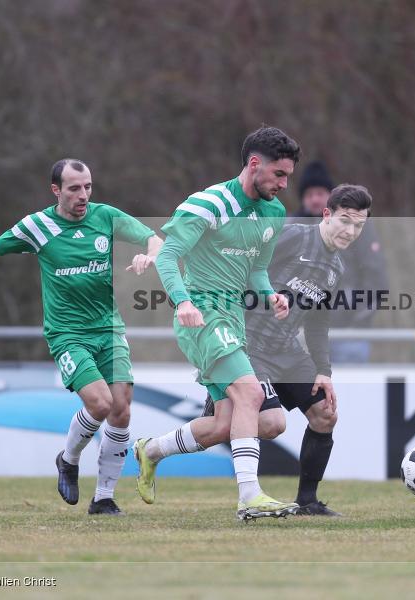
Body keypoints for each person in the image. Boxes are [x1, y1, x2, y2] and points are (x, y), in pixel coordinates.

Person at [0, 159, 162, 515]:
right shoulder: (38, 226)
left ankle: (103, 498)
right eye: (74, 188)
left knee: (121, 410)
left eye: (88, 187)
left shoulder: (106, 216)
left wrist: (149, 257)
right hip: (67, 333)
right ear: (56, 190)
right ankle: (68, 459)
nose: (83, 195)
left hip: (108, 328)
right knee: (100, 404)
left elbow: (154, 238)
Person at [135, 126, 300, 521]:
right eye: (278, 174)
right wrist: (183, 302)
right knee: (250, 394)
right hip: (202, 315)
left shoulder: (273, 213)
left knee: (244, 423)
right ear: (254, 164)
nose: (284, 184)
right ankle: (250, 497)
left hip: (233, 318)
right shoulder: (208, 204)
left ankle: (151, 450)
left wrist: (271, 295)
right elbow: (168, 256)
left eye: (288, 176)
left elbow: (256, 270)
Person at [292, 161, 387, 363]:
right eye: (309, 194)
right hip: (299, 337)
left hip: (347, 337)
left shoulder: (357, 228)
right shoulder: (291, 229)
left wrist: (357, 323)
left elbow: (376, 278)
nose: (315, 199)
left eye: (320, 193)